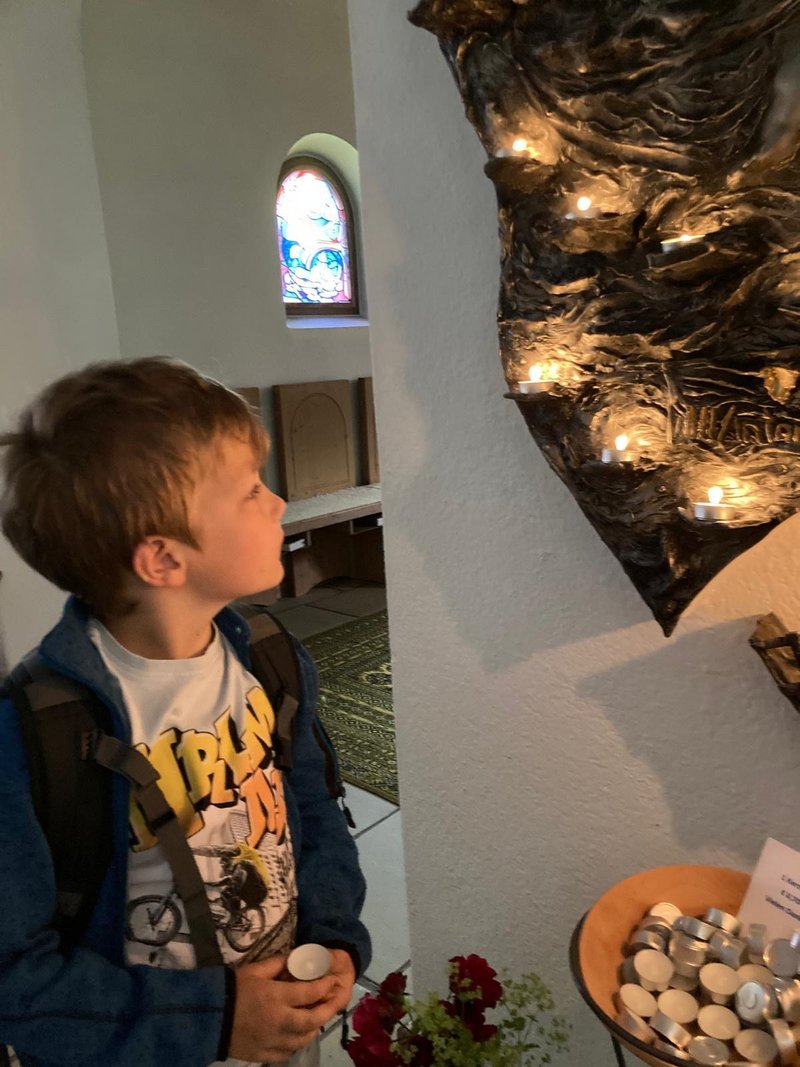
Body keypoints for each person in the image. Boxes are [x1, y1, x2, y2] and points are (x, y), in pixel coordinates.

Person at [0, 357, 371, 1067]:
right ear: (163, 560)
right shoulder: (37, 732)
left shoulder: (268, 655)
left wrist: (335, 932)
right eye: (250, 489)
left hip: (280, 1026)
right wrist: (215, 1021)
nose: (278, 503)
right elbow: (18, 974)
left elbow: (313, 804)